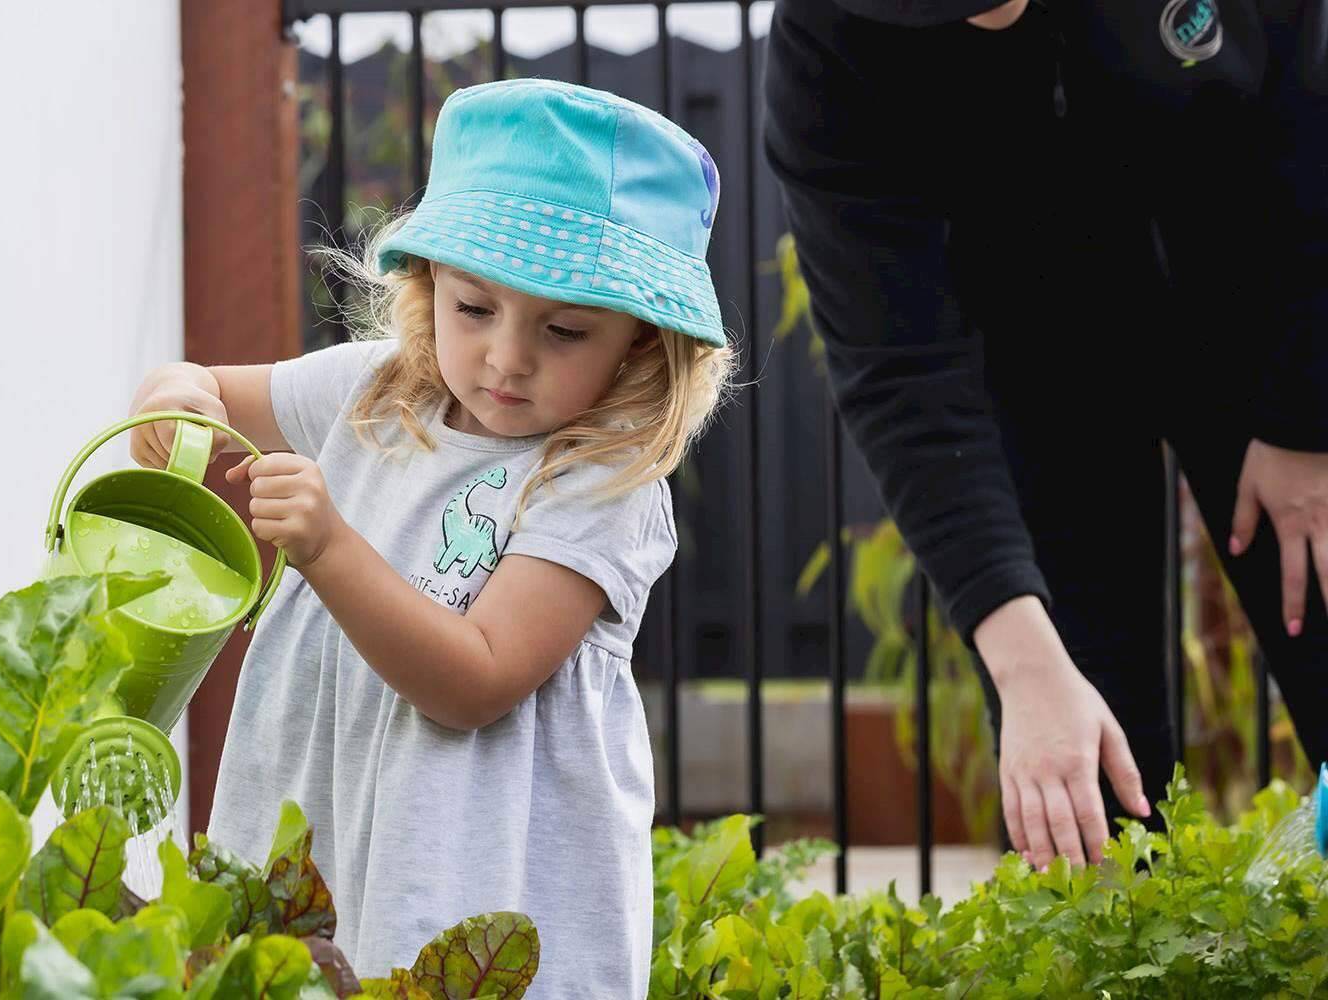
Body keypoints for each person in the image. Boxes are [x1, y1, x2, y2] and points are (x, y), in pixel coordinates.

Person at [128, 78, 734, 994]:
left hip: (474, 878)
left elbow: (478, 681)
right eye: (474, 308)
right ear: (428, 286)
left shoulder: (599, 475)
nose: (505, 357)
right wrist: (173, 400)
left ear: (641, 346)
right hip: (332, 831)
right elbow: (210, 385)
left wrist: (329, 551)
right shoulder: (380, 391)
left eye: (565, 329)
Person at [762, 0, 1328, 871]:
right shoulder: (823, 46)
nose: (984, 27)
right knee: (1095, 803)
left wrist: (1306, 418)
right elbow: (896, 367)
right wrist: (1023, 660)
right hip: (1035, 368)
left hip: (1270, 317)